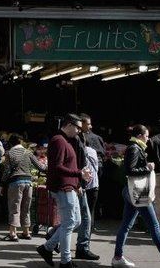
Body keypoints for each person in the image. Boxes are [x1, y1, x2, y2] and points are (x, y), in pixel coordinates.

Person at [111, 125, 160, 268]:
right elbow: (130, 170)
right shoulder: (134, 148)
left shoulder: (135, 147)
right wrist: (148, 168)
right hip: (138, 192)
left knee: (126, 226)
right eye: (146, 136)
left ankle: (117, 257)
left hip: (132, 191)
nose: (148, 139)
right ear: (140, 136)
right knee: (154, 226)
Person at [37, 114, 92, 268]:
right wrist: (79, 174)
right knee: (69, 223)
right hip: (63, 188)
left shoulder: (64, 141)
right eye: (77, 127)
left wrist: (78, 182)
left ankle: (47, 248)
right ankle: (65, 260)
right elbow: (57, 167)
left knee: (76, 221)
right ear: (68, 124)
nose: (79, 131)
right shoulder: (59, 141)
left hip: (69, 187)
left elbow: (64, 167)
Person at [0, 134, 46, 241]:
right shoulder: (28, 152)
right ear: (20, 142)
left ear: (11, 143)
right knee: (26, 208)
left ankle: (13, 234)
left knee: (14, 207)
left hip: (16, 182)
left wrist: (2, 184)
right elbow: (41, 167)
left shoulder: (10, 153)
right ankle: (26, 232)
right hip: (28, 183)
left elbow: (7, 172)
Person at [79, 113, 105, 229]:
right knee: (91, 204)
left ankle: (85, 225)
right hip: (95, 174)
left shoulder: (82, 140)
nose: (90, 126)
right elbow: (103, 155)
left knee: (84, 204)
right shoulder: (97, 138)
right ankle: (90, 225)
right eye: (88, 124)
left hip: (85, 176)